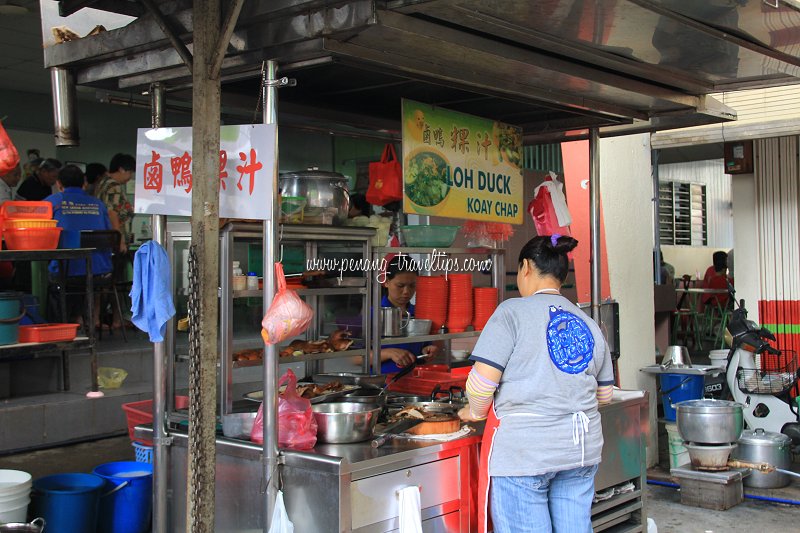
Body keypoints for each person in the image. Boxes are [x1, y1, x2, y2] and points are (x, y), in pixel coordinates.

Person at [459, 234, 614, 533]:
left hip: (525, 452)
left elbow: (480, 386)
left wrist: (475, 412)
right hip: (580, 451)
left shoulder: (511, 312)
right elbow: (604, 394)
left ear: (526, 267)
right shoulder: (588, 322)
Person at [44, 165, 113, 324]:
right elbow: (109, 236)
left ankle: (62, 324)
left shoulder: (51, 203)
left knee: (55, 278)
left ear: (59, 184)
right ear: (84, 183)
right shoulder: (99, 205)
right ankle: (80, 319)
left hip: (65, 271)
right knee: (82, 283)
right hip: (98, 272)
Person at [378, 256, 439, 373]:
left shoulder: (420, 313)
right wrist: (388, 353)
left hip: (415, 380)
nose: (406, 292)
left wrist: (427, 350)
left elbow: (424, 346)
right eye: (400, 286)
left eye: (412, 286)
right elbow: (355, 357)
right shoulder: (373, 313)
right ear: (386, 282)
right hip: (383, 382)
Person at [95, 153, 135, 252]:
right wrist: (119, 240)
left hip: (104, 237)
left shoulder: (103, 183)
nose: (130, 177)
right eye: (130, 172)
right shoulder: (114, 186)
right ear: (121, 169)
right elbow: (112, 213)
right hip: (113, 241)